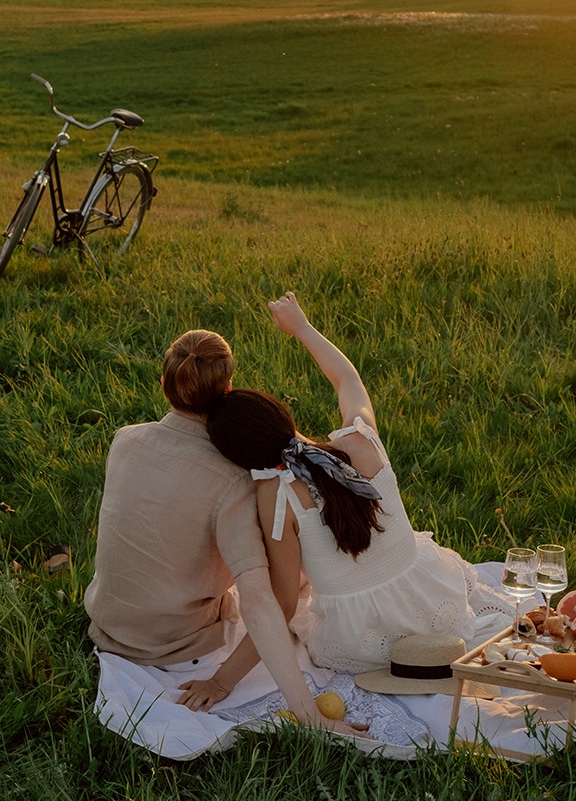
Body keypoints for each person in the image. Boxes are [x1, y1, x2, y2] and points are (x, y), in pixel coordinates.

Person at [200, 292, 522, 702]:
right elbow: (348, 380)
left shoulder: (274, 496)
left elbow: (279, 606)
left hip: (357, 644)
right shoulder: (359, 444)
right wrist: (300, 326)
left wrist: (221, 681)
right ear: (284, 415)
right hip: (436, 611)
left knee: (296, 592)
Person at [84, 327, 368, 732]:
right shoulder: (235, 479)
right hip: (176, 649)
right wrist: (306, 715)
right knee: (297, 581)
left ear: (165, 384)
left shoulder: (123, 440)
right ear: (229, 389)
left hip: (108, 627)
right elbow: (259, 601)